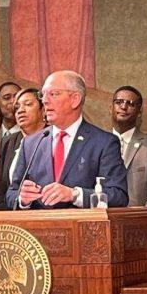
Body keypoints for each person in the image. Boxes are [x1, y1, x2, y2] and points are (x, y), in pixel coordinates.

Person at [7, 70, 128, 209]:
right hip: (39, 228)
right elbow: (11, 194)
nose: (45, 100)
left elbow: (118, 196)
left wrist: (74, 194)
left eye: (53, 94)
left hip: (82, 228)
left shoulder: (104, 143)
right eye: (43, 94)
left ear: (75, 99)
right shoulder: (30, 143)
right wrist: (23, 199)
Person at [111, 85, 147, 205]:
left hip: (138, 222)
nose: (123, 107)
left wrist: (140, 222)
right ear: (110, 108)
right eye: (118, 102)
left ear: (139, 112)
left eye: (130, 104)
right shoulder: (96, 144)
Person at [1, 88, 45, 186]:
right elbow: (0, 189)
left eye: (28, 104)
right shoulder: (6, 142)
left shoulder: (54, 137)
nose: (20, 110)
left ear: (43, 110)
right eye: (16, 108)